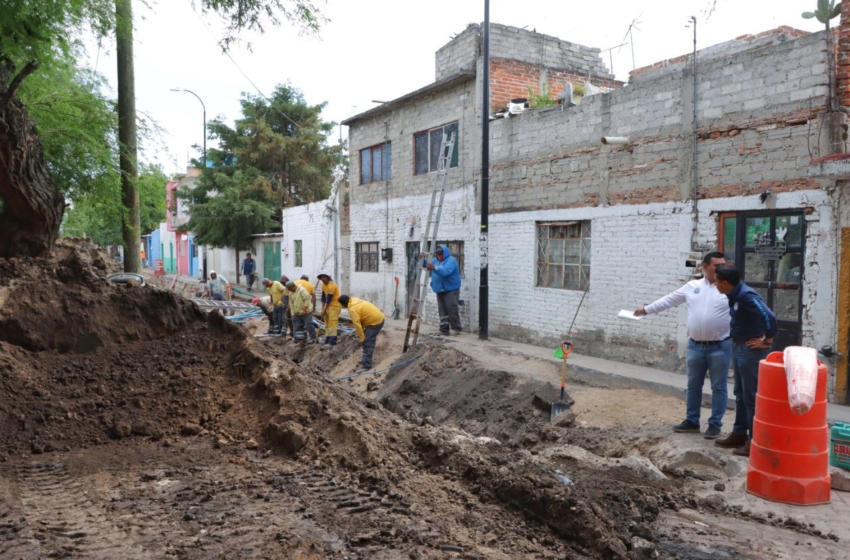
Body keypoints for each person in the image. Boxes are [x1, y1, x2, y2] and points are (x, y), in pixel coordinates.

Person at [634, 252, 731, 439]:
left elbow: (746, 309)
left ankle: (715, 423)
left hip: (720, 346)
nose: (721, 269)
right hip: (695, 346)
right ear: (705, 267)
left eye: (723, 265)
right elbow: (669, 300)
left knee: (719, 387)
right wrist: (646, 310)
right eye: (716, 266)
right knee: (693, 385)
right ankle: (692, 421)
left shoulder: (728, 288)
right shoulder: (692, 287)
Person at [713, 264, 778, 457]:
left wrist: (767, 340)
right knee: (740, 393)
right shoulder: (735, 295)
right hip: (740, 347)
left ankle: (754, 440)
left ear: (725, 283)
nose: (714, 284)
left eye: (716, 281)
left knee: (751, 396)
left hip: (750, 351)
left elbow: (770, 317)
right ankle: (739, 434)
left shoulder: (746, 296)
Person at [339, 295, 384, 372]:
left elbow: (357, 324)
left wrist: (362, 338)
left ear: (343, 304)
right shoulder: (353, 300)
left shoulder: (352, 309)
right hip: (377, 318)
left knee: (367, 343)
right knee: (367, 341)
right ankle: (365, 359)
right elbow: (360, 319)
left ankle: (366, 365)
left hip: (375, 322)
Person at [425, 244, 462, 335]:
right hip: (439, 289)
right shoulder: (434, 260)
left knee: (451, 309)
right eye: (438, 254)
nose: (439, 256)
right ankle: (444, 329)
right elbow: (427, 265)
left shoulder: (451, 261)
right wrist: (422, 260)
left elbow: (445, 272)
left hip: (450, 289)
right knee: (442, 311)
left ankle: (456, 329)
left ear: (445, 253)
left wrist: (433, 267)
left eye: (441, 254)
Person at [317, 270, 341, 345]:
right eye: (321, 278)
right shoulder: (323, 285)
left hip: (334, 306)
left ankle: (332, 341)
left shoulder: (332, 285)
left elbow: (329, 299)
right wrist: (322, 308)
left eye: (324, 277)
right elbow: (323, 297)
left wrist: (324, 309)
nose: (323, 279)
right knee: (327, 323)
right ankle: (327, 339)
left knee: (332, 323)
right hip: (328, 306)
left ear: (327, 277)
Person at [286, 280, 314, 345]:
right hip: (297, 312)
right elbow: (291, 304)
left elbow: (307, 299)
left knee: (309, 324)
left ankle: (314, 339)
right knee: (298, 326)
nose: (289, 290)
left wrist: (304, 309)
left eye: (290, 288)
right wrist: (292, 313)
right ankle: (301, 340)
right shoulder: (290, 293)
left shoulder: (302, 290)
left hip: (306, 312)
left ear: (293, 286)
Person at [295, 275, 318, 343]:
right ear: (307, 279)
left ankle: (300, 339)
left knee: (298, 324)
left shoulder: (295, 282)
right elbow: (314, 297)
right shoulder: (310, 285)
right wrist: (314, 307)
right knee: (309, 324)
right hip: (307, 308)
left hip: (297, 308)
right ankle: (313, 338)